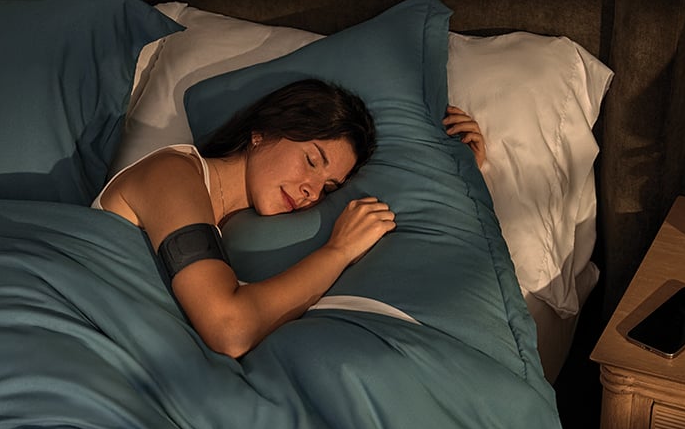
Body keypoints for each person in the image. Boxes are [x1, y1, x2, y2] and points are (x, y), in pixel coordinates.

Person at [95, 78, 484, 357]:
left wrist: (463, 173)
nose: (311, 191)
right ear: (261, 133)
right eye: (311, 160)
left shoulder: (238, 229)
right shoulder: (174, 175)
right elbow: (230, 328)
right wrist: (338, 251)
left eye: (328, 188)